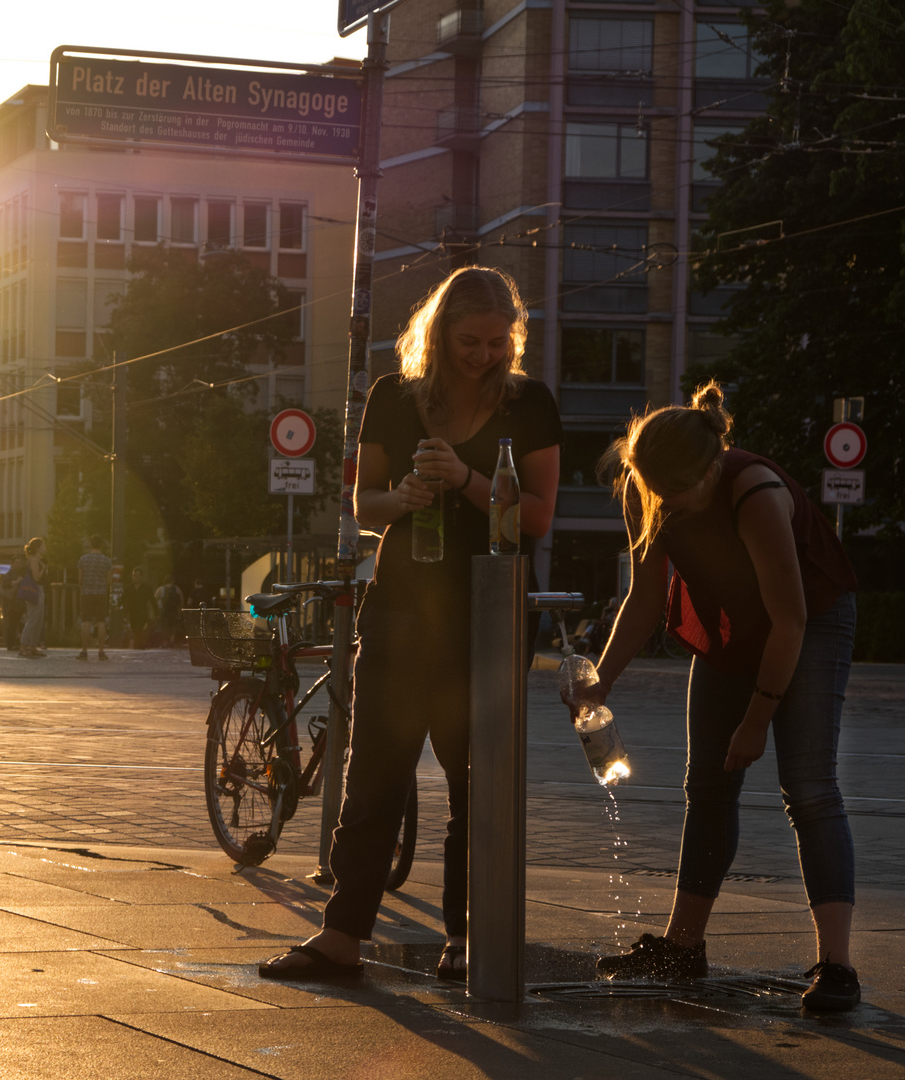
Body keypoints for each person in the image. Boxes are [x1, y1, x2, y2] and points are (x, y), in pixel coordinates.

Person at [259, 266, 561, 984]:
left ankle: (467, 935)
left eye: (496, 342)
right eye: (467, 340)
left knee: (474, 783)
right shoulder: (393, 398)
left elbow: (537, 519)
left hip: (485, 619)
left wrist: (465, 480)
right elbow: (364, 507)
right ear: (438, 332)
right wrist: (404, 495)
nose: (482, 355)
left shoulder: (528, 405)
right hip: (399, 610)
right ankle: (340, 935)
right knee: (374, 777)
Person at [573, 383, 861, 1011]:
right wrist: (602, 678)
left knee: (809, 787)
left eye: (675, 493)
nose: (662, 502)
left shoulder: (755, 492)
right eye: (652, 489)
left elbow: (790, 622)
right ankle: (683, 947)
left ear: (710, 470)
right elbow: (645, 598)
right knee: (705, 784)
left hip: (809, 621)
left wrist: (756, 719)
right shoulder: (643, 484)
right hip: (733, 626)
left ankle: (837, 966)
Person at [76, 535, 113, 661]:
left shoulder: (83, 560)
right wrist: (103, 588)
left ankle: (84, 651)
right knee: (101, 622)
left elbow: (80, 580)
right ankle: (101, 652)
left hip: (86, 593)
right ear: (101, 545)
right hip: (101, 593)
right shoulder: (107, 561)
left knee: (86, 621)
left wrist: (84, 588)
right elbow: (109, 581)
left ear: (90, 544)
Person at [18, 536, 48, 658]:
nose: (45, 548)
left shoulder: (36, 559)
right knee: (33, 619)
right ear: (38, 548)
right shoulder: (34, 560)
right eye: (43, 546)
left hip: (38, 590)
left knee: (38, 620)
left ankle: (32, 646)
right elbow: (36, 577)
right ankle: (24, 646)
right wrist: (44, 569)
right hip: (34, 591)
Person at [123, 565, 153, 648]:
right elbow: (124, 597)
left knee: (139, 629)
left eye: (136, 576)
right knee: (134, 628)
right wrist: (118, 605)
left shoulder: (146, 587)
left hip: (142, 612)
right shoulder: (130, 587)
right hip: (133, 612)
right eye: (133, 575)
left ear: (141, 576)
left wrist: (157, 612)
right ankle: (139, 644)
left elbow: (152, 600)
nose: (134, 577)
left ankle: (138, 645)